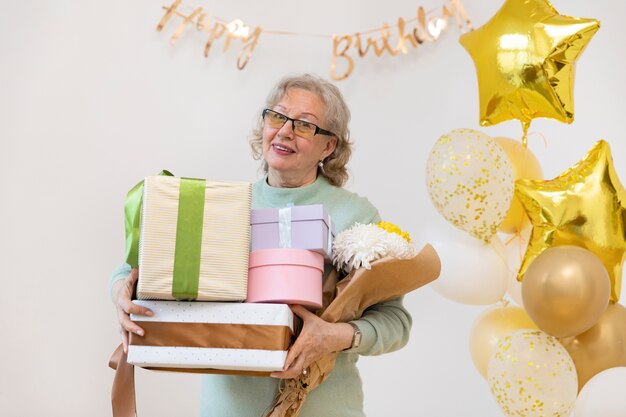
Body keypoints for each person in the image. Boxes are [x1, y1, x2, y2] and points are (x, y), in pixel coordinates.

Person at [110, 73, 412, 417]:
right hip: (227, 409)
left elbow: (395, 322)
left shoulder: (355, 215)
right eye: (278, 116)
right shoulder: (225, 205)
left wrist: (334, 336)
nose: (284, 131)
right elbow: (137, 264)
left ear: (329, 146)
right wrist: (120, 290)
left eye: (304, 125)